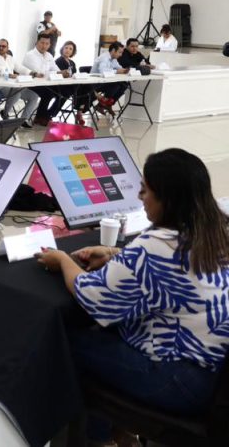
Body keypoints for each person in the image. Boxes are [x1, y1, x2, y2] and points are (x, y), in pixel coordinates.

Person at [36, 149, 229, 443]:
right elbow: (176, 267)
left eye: (145, 191)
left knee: (62, 343)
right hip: (211, 377)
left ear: (167, 199)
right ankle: (116, 433)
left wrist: (62, 260)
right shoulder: (217, 231)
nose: (140, 197)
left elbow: (91, 295)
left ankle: (97, 438)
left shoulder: (155, 245)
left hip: (175, 380)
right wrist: (117, 254)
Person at [0, 38, 39, 125]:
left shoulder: (10, 58)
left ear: (8, 48)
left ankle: (23, 120)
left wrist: (33, 73)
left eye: (3, 46)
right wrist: (10, 75)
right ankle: (4, 114)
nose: (1, 48)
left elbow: (20, 68)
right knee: (16, 93)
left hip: (13, 85)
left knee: (34, 96)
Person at [22, 34, 63, 126]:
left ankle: (47, 116)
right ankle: (40, 117)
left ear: (49, 45)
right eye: (42, 43)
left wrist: (61, 73)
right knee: (48, 93)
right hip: (30, 84)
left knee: (62, 92)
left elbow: (56, 69)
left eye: (47, 43)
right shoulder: (30, 55)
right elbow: (40, 73)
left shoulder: (49, 55)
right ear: (37, 43)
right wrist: (57, 73)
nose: (44, 46)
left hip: (44, 84)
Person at [45, 40, 87, 125]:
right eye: (66, 48)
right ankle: (50, 115)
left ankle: (79, 112)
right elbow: (59, 75)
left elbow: (74, 75)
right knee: (66, 93)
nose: (68, 50)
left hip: (70, 85)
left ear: (73, 52)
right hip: (60, 86)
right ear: (62, 49)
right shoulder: (58, 61)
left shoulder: (72, 63)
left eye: (70, 49)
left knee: (85, 89)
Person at [91, 41, 130, 113]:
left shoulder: (113, 59)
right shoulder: (104, 58)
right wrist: (117, 71)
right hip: (95, 83)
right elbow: (103, 72)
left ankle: (105, 104)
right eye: (119, 52)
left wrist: (125, 70)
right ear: (113, 50)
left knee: (125, 84)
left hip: (105, 82)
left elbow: (119, 68)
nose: (121, 55)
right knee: (116, 85)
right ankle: (103, 104)